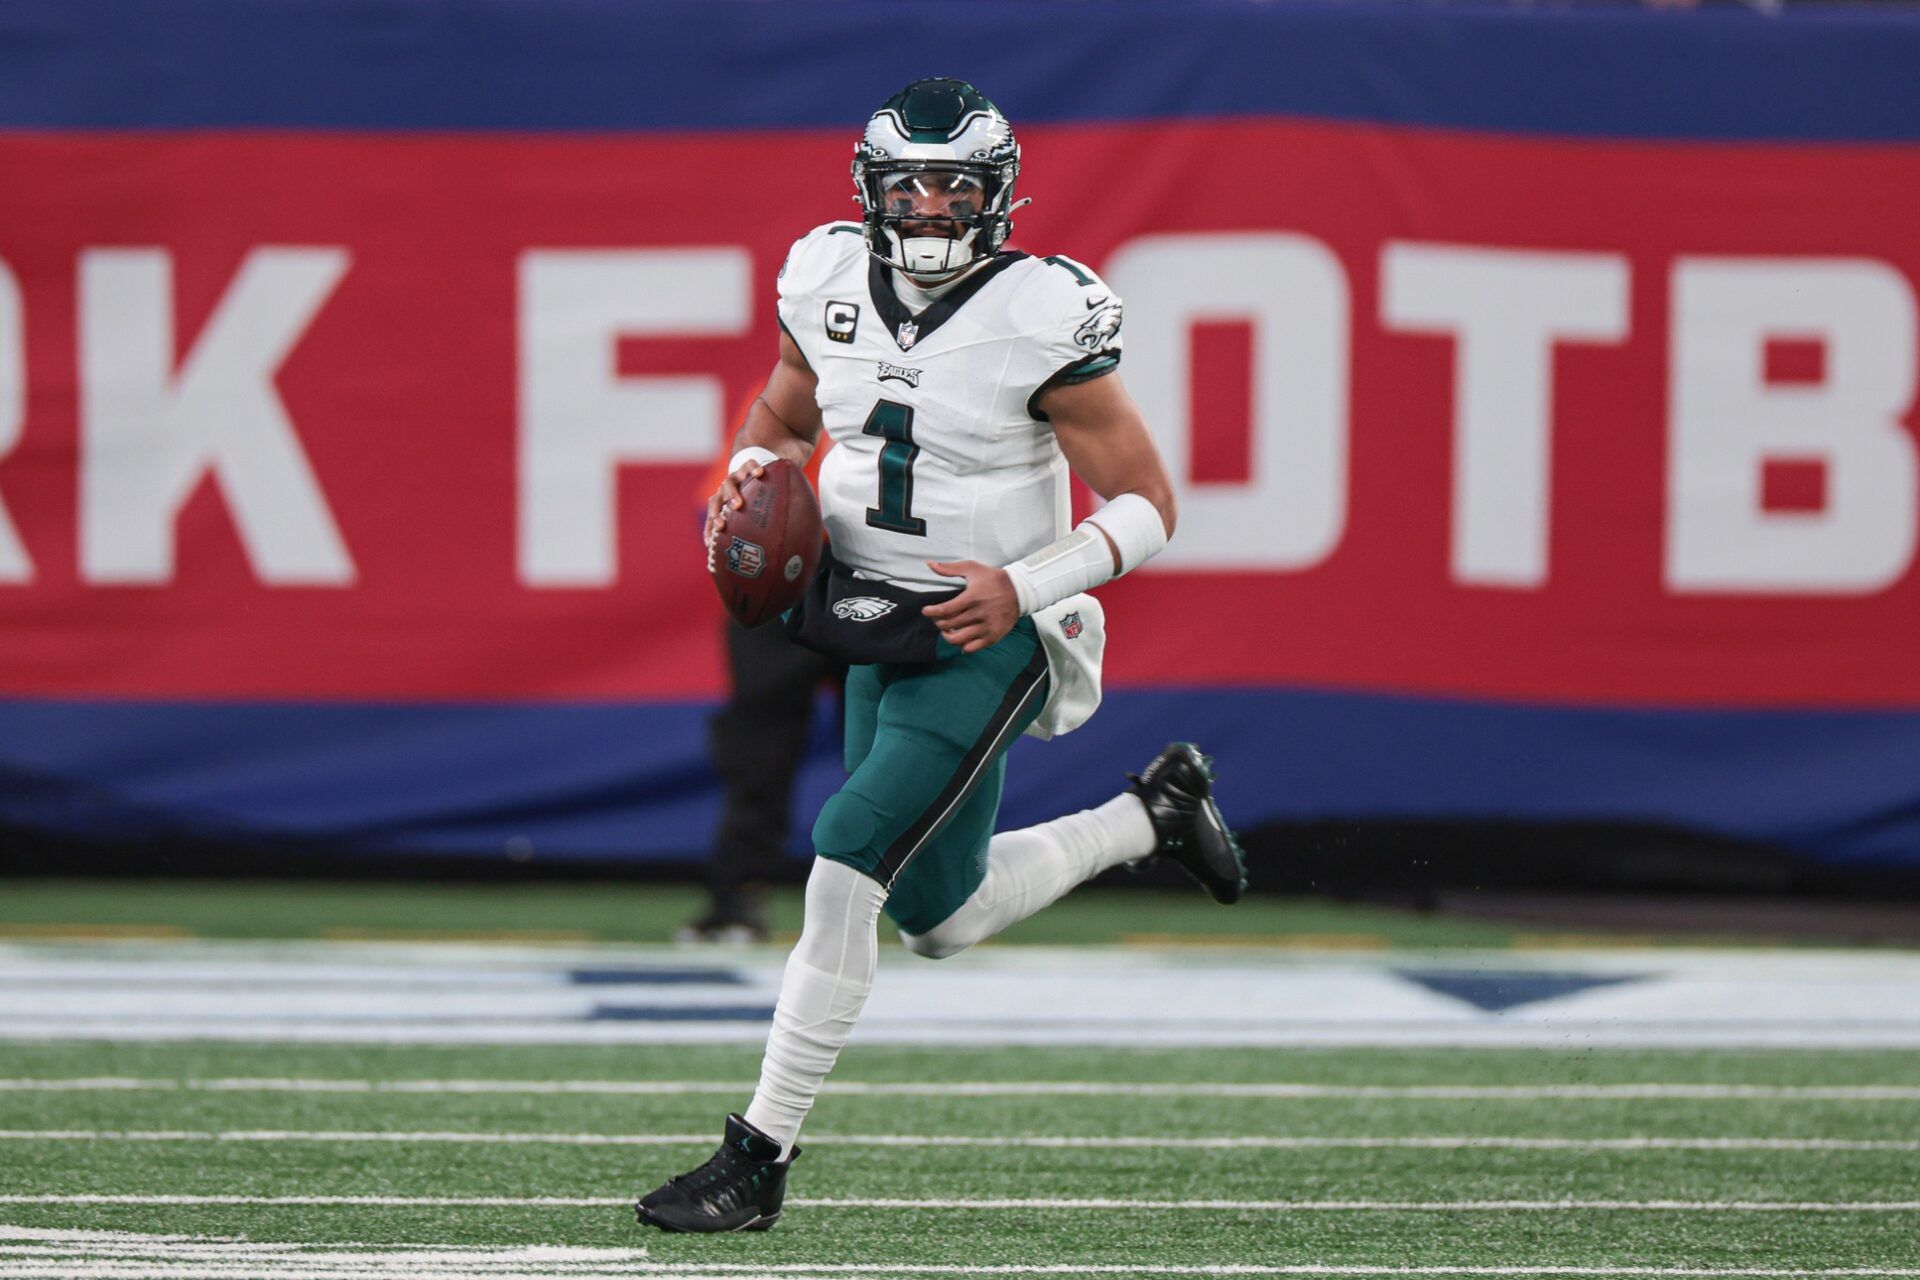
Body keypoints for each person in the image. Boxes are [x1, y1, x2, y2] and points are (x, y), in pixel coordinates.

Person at [636, 77, 1247, 1234]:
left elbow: (1152, 502)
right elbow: (779, 420)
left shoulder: (1038, 313)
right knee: (939, 915)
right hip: (866, 610)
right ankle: (1153, 816)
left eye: (954, 184)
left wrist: (1025, 583)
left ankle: (756, 1157)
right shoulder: (821, 280)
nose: (927, 206)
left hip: (992, 631)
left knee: (844, 853)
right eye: (907, 183)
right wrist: (741, 488)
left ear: (997, 192)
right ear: (869, 190)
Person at [680, 417, 843, 946]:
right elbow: (724, 501)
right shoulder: (792, 388)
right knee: (758, 750)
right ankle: (738, 895)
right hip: (785, 578)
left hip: (880, 574)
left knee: (899, 739)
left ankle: (926, 888)